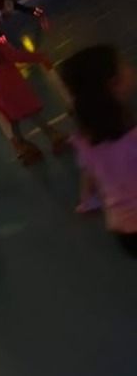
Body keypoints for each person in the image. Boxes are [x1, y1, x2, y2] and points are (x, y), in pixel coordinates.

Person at [59, 44, 137, 255]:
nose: (130, 67)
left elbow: (89, 174)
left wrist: (87, 201)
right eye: (124, 65)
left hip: (124, 231)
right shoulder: (131, 138)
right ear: (115, 84)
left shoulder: (85, 140)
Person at [0, 18, 66, 164]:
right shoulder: (0, 47)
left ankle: (23, 148)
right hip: (13, 87)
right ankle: (53, 136)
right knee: (31, 112)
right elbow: (17, 56)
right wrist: (39, 57)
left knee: (13, 121)